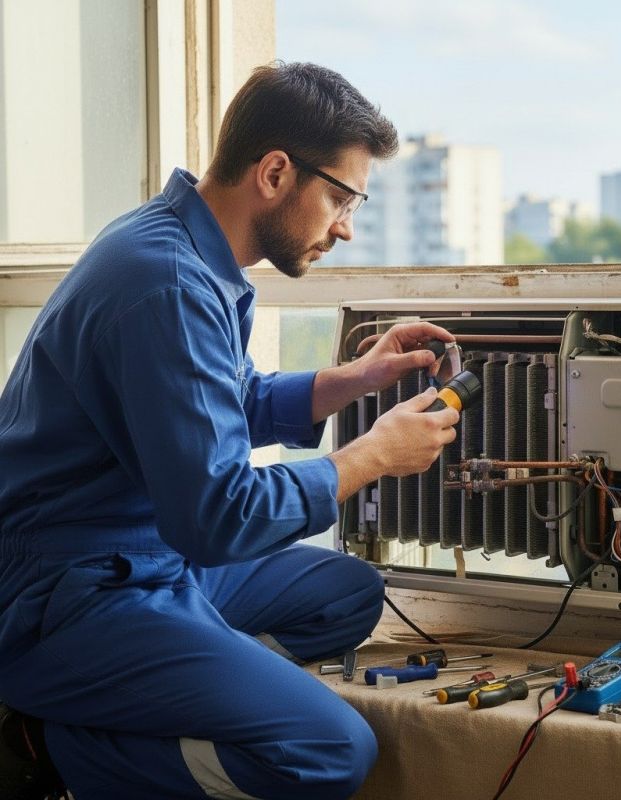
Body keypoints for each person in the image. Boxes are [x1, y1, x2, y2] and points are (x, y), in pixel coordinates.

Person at [0, 62, 459, 800]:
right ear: (275, 173)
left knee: (347, 594)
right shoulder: (167, 282)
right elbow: (217, 517)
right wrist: (370, 457)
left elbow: (225, 399)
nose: (346, 227)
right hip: (71, 590)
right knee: (328, 750)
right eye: (341, 198)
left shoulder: (183, 246)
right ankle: (44, 746)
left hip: (153, 557)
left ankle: (175, 678)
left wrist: (354, 379)